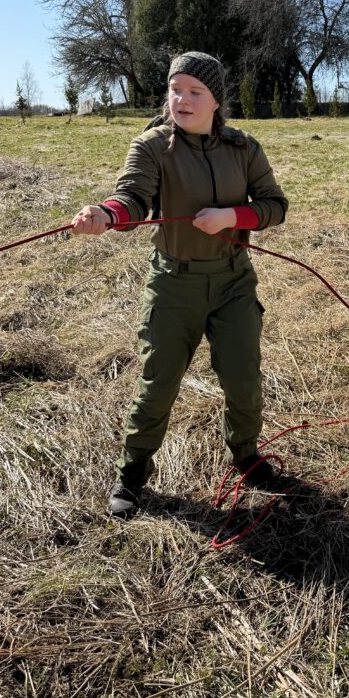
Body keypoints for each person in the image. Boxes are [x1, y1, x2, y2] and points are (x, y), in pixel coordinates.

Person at [72, 51, 288, 518]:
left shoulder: (244, 148)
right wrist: (107, 214)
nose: (182, 100)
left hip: (233, 281)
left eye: (195, 91)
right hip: (173, 285)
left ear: (216, 100)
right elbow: (132, 197)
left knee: (243, 378)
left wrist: (232, 216)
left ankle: (247, 456)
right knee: (158, 383)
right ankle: (132, 473)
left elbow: (275, 205)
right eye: (175, 90)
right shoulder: (152, 146)